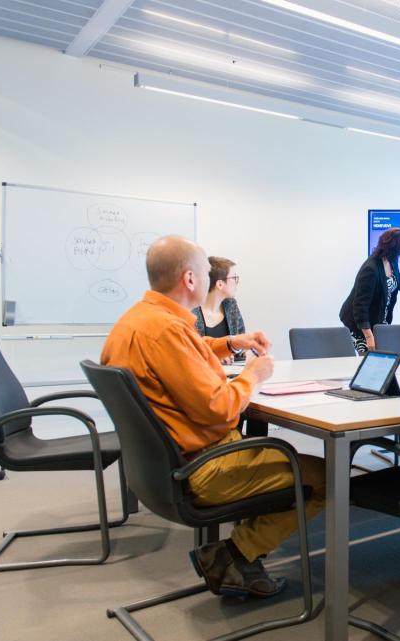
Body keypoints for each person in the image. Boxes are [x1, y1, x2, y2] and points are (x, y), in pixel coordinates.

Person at [101, 236, 326, 599]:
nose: (210, 279)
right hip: (203, 468)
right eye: (207, 272)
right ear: (190, 280)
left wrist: (231, 343)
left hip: (158, 468)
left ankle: (238, 553)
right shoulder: (167, 330)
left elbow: (188, 350)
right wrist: (254, 374)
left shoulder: (140, 320)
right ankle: (234, 555)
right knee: (327, 478)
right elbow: (221, 408)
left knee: (286, 457)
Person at [339, 227, 400, 354]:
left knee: (381, 359)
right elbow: (360, 307)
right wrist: (369, 337)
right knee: (369, 360)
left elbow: (399, 281)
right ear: (392, 248)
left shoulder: (391, 260)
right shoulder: (370, 269)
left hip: (377, 321)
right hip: (359, 325)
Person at [193, 256, 246, 362]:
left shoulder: (231, 305)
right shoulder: (191, 311)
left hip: (232, 373)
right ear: (220, 284)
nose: (237, 282)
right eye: (234, 278)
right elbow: (191, 353)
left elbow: (241, 341)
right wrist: (214, 357)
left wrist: (247, 351)